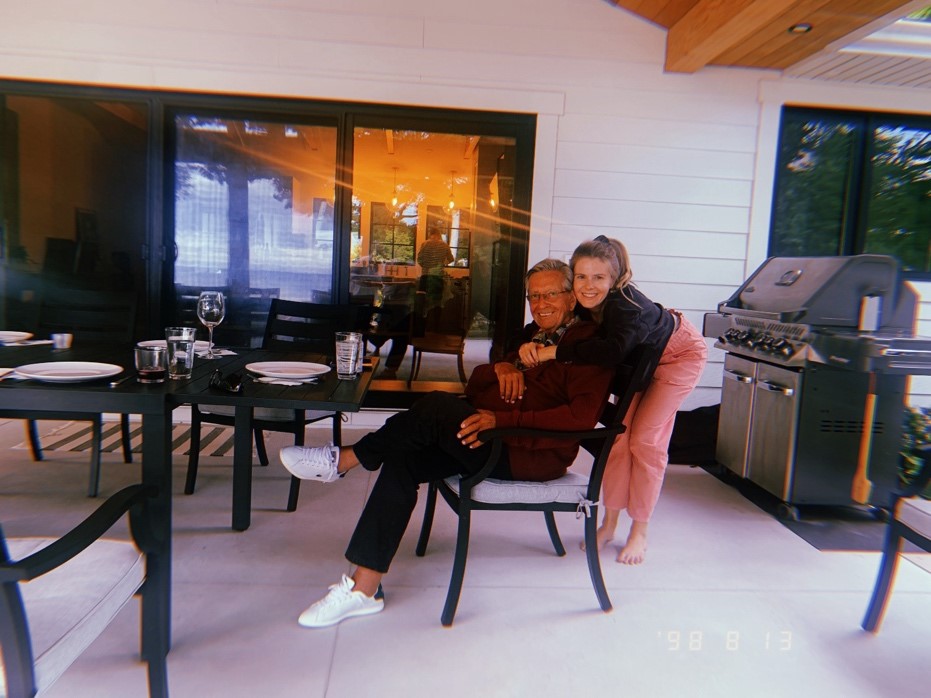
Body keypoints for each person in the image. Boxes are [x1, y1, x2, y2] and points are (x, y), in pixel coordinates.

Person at [278, 259, 613, 628]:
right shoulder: (531, 335)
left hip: (527, 453)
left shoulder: (587, 346)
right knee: (404, 457)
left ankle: (346, 459)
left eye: (551, 293)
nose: (541, 303)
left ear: (571, 297)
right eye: (534, 295)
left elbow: (580, 419)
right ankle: (364, 589)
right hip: (485, 436)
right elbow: (476, 386)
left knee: (437, 405)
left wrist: (502, 419)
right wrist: (503, 367)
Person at [517, 236, 707, 565]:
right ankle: (609, 523)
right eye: (581, 277)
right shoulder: (584, 303)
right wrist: (529, 342)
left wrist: (552, 351)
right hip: (641, 366)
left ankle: (640, 530)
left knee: (645, 442)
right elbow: (550, 320)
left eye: (599, 278)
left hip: (678, 357)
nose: (588, 286)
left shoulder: (626, 306)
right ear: (571, 277)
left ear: (615, 279)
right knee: (619, 442)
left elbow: (613, 351)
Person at [417, 225, 454, 311]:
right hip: (437, 277)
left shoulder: (425, 244)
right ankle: (436, 322)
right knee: (437, 302)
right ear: (439, 234)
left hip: (425, 276)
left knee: (422, 300)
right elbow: (451, 259)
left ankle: (423, 319)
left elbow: (419, 259)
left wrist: (426, 266)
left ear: (431, 234)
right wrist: (442, 265)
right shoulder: (444, 245)